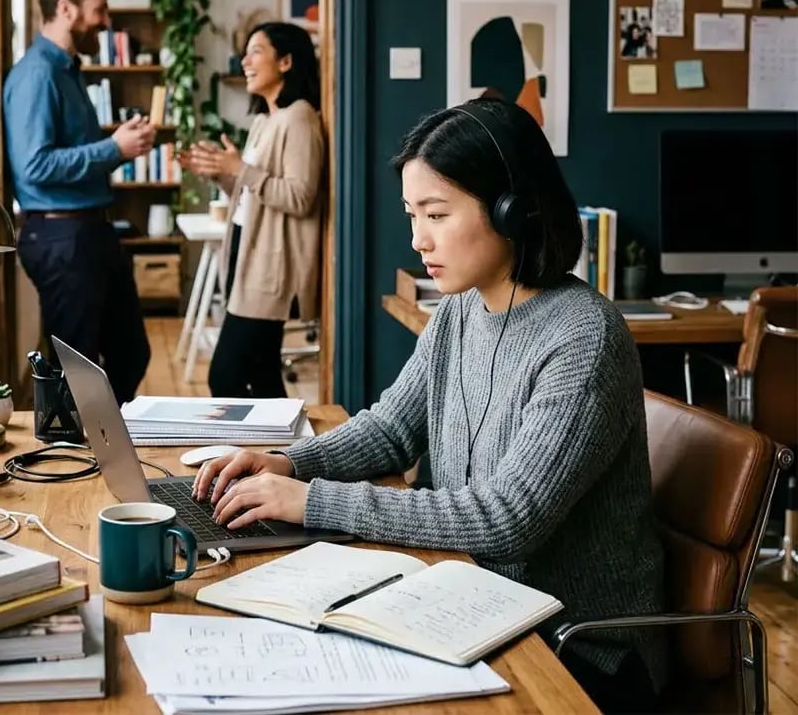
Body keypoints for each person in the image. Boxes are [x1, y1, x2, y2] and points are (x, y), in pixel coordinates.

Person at [193, 99, 667, 713]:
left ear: (512, 210)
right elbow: (392, 429)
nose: (419, 239)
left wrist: (314, 501)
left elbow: (508, 521)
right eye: (413, 214)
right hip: (468, 600)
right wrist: (288, 464)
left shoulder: (584, 339)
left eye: (437, 215)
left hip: (575, 648)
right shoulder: (462, 307)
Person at [3, 0, 155, 403]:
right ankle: (74, 456)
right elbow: (34, 167)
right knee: (75, 371)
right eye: (99, 9)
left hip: (89, 232)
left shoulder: (68, 71)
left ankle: (102, 443)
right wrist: (113, 149)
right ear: (66, 9)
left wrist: (118, 144)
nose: (106, 21)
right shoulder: (37, 75)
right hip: (61, 236)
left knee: (131, 353)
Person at [180, 21, 324, 399]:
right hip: (246, 256)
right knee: (262, 379)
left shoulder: (300, 118)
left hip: (270, 269)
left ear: (287, 61)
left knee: (224, 377)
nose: (245, 60)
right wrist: (220, 173)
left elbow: (299, 197)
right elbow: (254, 194)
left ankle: (256, 455)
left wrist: (238, 169)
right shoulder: (263, 120)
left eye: (256, 51)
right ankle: (281, 455)